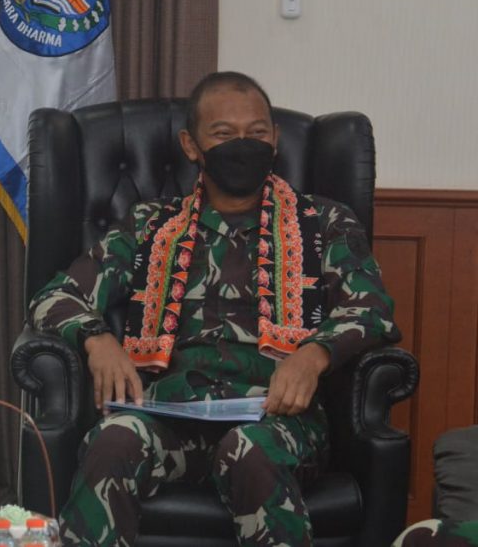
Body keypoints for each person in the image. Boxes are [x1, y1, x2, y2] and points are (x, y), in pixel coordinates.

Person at [30, 71, 400, 547]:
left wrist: (314, 355)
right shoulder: (151, 225)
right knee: (113, 440)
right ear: (192, 145)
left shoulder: (323, 222)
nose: (243, 144)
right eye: (224, 134)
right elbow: (54, 297)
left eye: (257, 132)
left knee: (248, 450)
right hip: (169, 415)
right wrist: (97, 339)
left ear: (275, 139)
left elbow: (372, 309)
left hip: (275, 419)